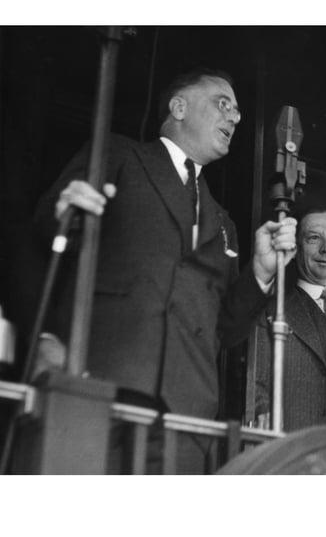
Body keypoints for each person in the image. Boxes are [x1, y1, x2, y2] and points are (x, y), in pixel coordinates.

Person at [33, 67, 297, 473]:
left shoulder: (222, 221)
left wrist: (260, 273)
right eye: (222, 104)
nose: (234, 117)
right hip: (101, 381)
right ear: (179, 107)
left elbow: (225, 329)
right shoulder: (118, 155)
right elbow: (47, 234)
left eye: (238, 112)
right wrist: (63, 212)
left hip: (186, 410)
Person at [255, 208, 326, 431]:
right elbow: (256, 385)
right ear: (296, 249)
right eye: (314, 238)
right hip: (295, 443)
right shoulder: (271, 310)